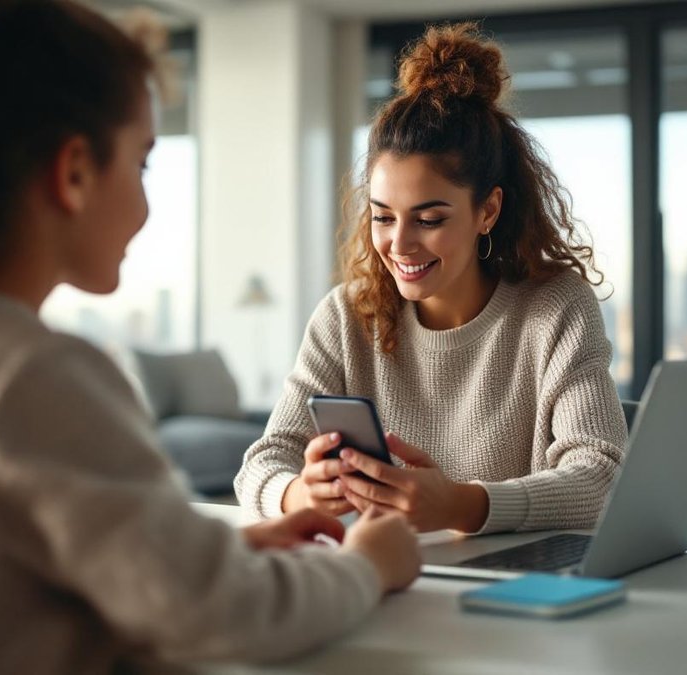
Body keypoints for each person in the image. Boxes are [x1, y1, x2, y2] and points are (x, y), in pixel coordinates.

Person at [0, 1, 419, 672]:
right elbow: (228, 616)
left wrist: (223, 552)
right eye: (142, 164)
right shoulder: (34, 379)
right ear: (75, 172)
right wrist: (366, 567)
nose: (147, 203)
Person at [235, 22, 628, 535]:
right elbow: (259, 465)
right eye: (382, 216)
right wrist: (298, 492)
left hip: (511, 588)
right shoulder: (347, 315)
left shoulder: (554, 308)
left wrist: (461, 506)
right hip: (387, 577)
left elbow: (603, 477)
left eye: (429, 219)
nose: (400, 244)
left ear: (487, 210)